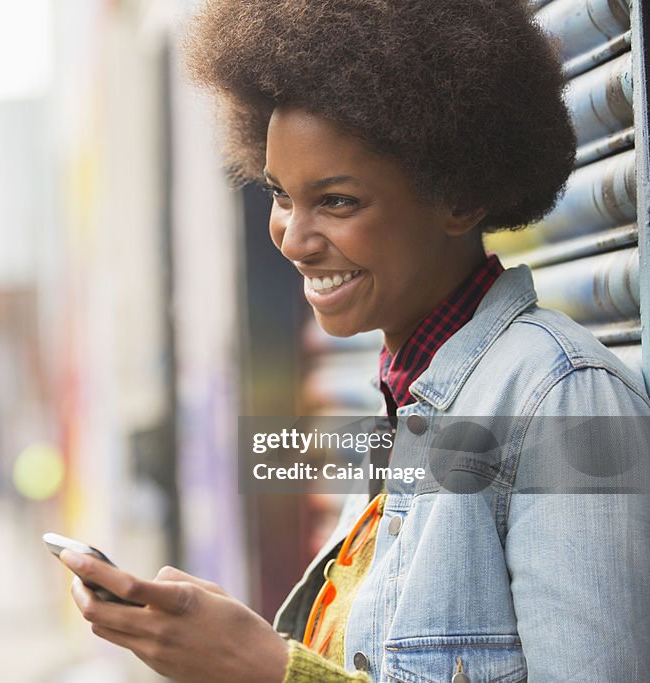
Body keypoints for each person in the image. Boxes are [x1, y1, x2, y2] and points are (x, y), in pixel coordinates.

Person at [59, 1, 650, 680]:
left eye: (337, 201)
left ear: (459, 195)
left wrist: (267, 667)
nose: (295, 239)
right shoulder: (405, 403)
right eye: (281, 195)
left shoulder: (560, 404)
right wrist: (243, 642)